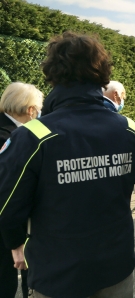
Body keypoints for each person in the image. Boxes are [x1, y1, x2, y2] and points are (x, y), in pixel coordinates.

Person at [0, 31, 135, 298]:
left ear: (52, 73)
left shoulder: (33, 136)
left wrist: (15, 243)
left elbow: (7, 203)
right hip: (115, 267)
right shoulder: (128, 128)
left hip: (58, 274)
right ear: (102, 73)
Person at [0, 82, 43, 298]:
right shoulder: (11, 137)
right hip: (8, 231)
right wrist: (16, 242)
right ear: (30, 110)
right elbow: (8, 193)